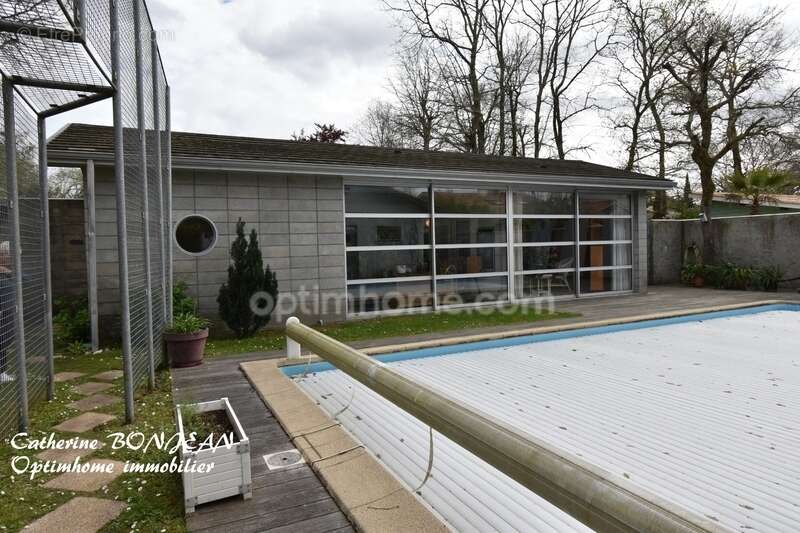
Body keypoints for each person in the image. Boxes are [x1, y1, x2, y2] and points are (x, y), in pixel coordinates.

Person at [0, 240, 14, 383]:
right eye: (9, 256)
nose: (11, 259)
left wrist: (9, 272)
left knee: (6, 340)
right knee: (2, 340)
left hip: (9, 310)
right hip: (2, 310)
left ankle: (2, 372)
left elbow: (26, 280)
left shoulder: (8, 271)